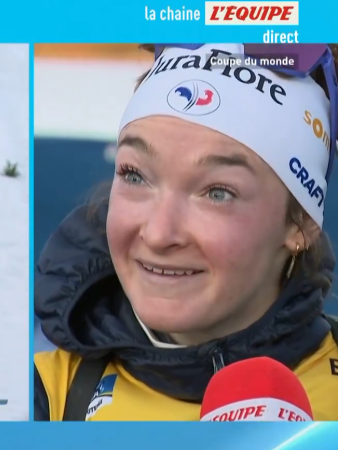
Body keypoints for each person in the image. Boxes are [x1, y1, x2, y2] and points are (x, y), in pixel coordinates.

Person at [34, 44, 338, 421]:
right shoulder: (44, 394)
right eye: (135, 175)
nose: (160, 234)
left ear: (302, 223)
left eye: (217, 192)